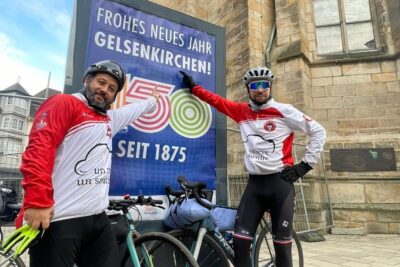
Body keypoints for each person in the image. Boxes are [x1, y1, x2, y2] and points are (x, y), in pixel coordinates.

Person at [16, 60, 160, 267]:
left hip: (97, 219)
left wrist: (153, 101)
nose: (105, 90)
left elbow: (136, 109)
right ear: (87, 80)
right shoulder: (65, 103)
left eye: (112, 88)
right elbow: (39, 150)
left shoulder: (109, 119)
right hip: (59, 219)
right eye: (101, 82)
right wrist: (37, 201)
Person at [180, 67, 326, 267]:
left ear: (270, 87)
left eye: (264, 85)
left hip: (280, 185)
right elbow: (218, 102)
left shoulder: (284, 111)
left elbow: (318, 131)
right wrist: (195, 88)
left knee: (282, 246)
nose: (260, 90)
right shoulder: (241, 112)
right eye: (255, 86)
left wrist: (305, 165)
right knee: (240, 243)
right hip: (255, 186)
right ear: (248, 89)